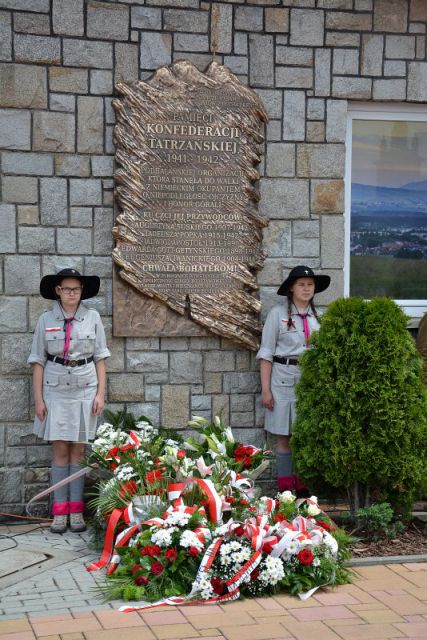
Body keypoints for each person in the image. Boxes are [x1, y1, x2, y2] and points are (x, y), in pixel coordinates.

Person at [28, 268, 110, 534]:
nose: (72, 293)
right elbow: (38, 360)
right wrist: (38, 399)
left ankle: (76, 511)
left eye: (76, 289)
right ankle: (59, 512)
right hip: (55, 390)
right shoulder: (46, 319)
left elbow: (100, 357)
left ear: (82, 291)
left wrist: (100, 394)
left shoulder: (93, 317)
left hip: (85, 388)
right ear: (58, 291)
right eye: (67, 289)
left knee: (79, 451)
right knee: (60, 449)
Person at [256, 265, 330, 495]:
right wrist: (266, 390)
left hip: (310, 382)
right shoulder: (278, 315)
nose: (306, 289)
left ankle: (304, 491)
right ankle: (285, 492)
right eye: (301, 284)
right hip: (283, 381)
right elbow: (266, 353)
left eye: (310, 285)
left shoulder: (319, 317)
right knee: (284, 438)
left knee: (305, 436)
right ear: (291, 288)